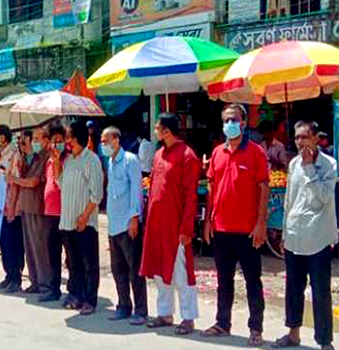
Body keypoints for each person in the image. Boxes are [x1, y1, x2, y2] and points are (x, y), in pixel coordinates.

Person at [203, 104, 269, 346]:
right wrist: (208, 221)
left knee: (253, 280)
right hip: (221, 228)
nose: (230, 123)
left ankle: (256, 329)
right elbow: (211, 188)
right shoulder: (218, 153)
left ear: (243, 123)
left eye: (234, 119)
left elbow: (263, 187)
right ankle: (222, 323)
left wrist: (261, 223)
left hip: (248, 230)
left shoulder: (255, 153)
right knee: (224, 280)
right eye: (226, 120)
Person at [273, 121, 337, 350]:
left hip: (319, 238)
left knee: (320, 292)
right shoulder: (293, 165)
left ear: (315, 139)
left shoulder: (329, 165)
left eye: (305, 137)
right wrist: (283, 233)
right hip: (295, 236)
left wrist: (310, 168)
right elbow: (289, 200)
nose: (300, 142)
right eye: (297, 137)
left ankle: (324, 341)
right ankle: (293, 333)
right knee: (293, 289)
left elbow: (325, 198)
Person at [140, 114, 201, 334]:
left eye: (157, 128)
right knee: (159, 271)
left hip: (176, 226)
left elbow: (191, 196)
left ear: (167, 131)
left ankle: (188, 317)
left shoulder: (188, 156)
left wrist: (186, 229)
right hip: (156, 224)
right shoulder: (157, 155)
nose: (155, 131)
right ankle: (165, 313)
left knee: (181, 272)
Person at [98, 126, 148, 325]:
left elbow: (136, 190)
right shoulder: (110, 162)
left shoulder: (130, 160)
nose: (103, 145)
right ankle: (123, 306)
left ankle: (141, 310)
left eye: (106, 141)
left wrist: (134, 218)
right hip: (113, 224)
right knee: (118, 269)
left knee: (134, 270)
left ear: (116, 140)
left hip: (128, 224)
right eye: (102, 142)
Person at [53, 121, 103, 315]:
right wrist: (57, 161)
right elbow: (60, 182)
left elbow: (96, 194)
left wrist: (84, 217)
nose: (66, 142)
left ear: (77, 138)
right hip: (67, 222)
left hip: (85, 223)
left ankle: (90, 300)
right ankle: (77, 295)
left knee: (89, 263)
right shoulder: (70, 160)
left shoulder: (92, 160)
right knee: (73, 263)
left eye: (69, 138)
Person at [8, 128, 52, 295]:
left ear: (45, 140)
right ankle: (35, 281)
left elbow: (34, 182)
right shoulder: (34, 157)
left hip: (37, 207)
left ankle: (45, 284)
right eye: (32, 139)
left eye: (37, 139)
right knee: (30, 248)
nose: (34, 142)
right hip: (26, 206)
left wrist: (15, 180)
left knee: (40, 247)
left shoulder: (46, 157)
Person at [41, 124, 72, 303]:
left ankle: (72, 289)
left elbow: (63, 183)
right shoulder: (49, 161)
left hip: (65, 212)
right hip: (50, 212)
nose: (57, 144)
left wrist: (59, 160)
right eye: (54, 141)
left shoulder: (68, 160)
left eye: (60, 141)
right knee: (52, 253)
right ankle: (54, 288)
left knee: (70, 255)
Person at [0, 125, 25, 293]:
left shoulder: (14, 153)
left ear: (3, 138)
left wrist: (12, 207)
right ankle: (8, 275)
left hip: (10, 205)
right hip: (0, 204)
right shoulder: (2, 154)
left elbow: (14, 182)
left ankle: (16, 278)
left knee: (13, 243)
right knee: (4, 243)